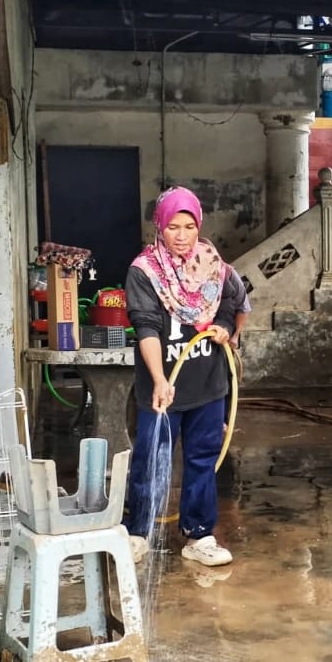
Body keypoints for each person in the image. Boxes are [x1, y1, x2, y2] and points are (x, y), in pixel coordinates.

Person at [124, 187, 240, 567]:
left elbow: (232, 303)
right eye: (173, 226)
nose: (181, 235)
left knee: (202, 460)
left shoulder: (214, 265)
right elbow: (146, 328)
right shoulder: (144, 271)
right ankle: (137, 532)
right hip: (164, 386)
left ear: (198, 226)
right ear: (160, 225)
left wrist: (223, 326)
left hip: (208, 383)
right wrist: (159, 379)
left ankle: (199, 534)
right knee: (151, 460)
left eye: (189, 226)